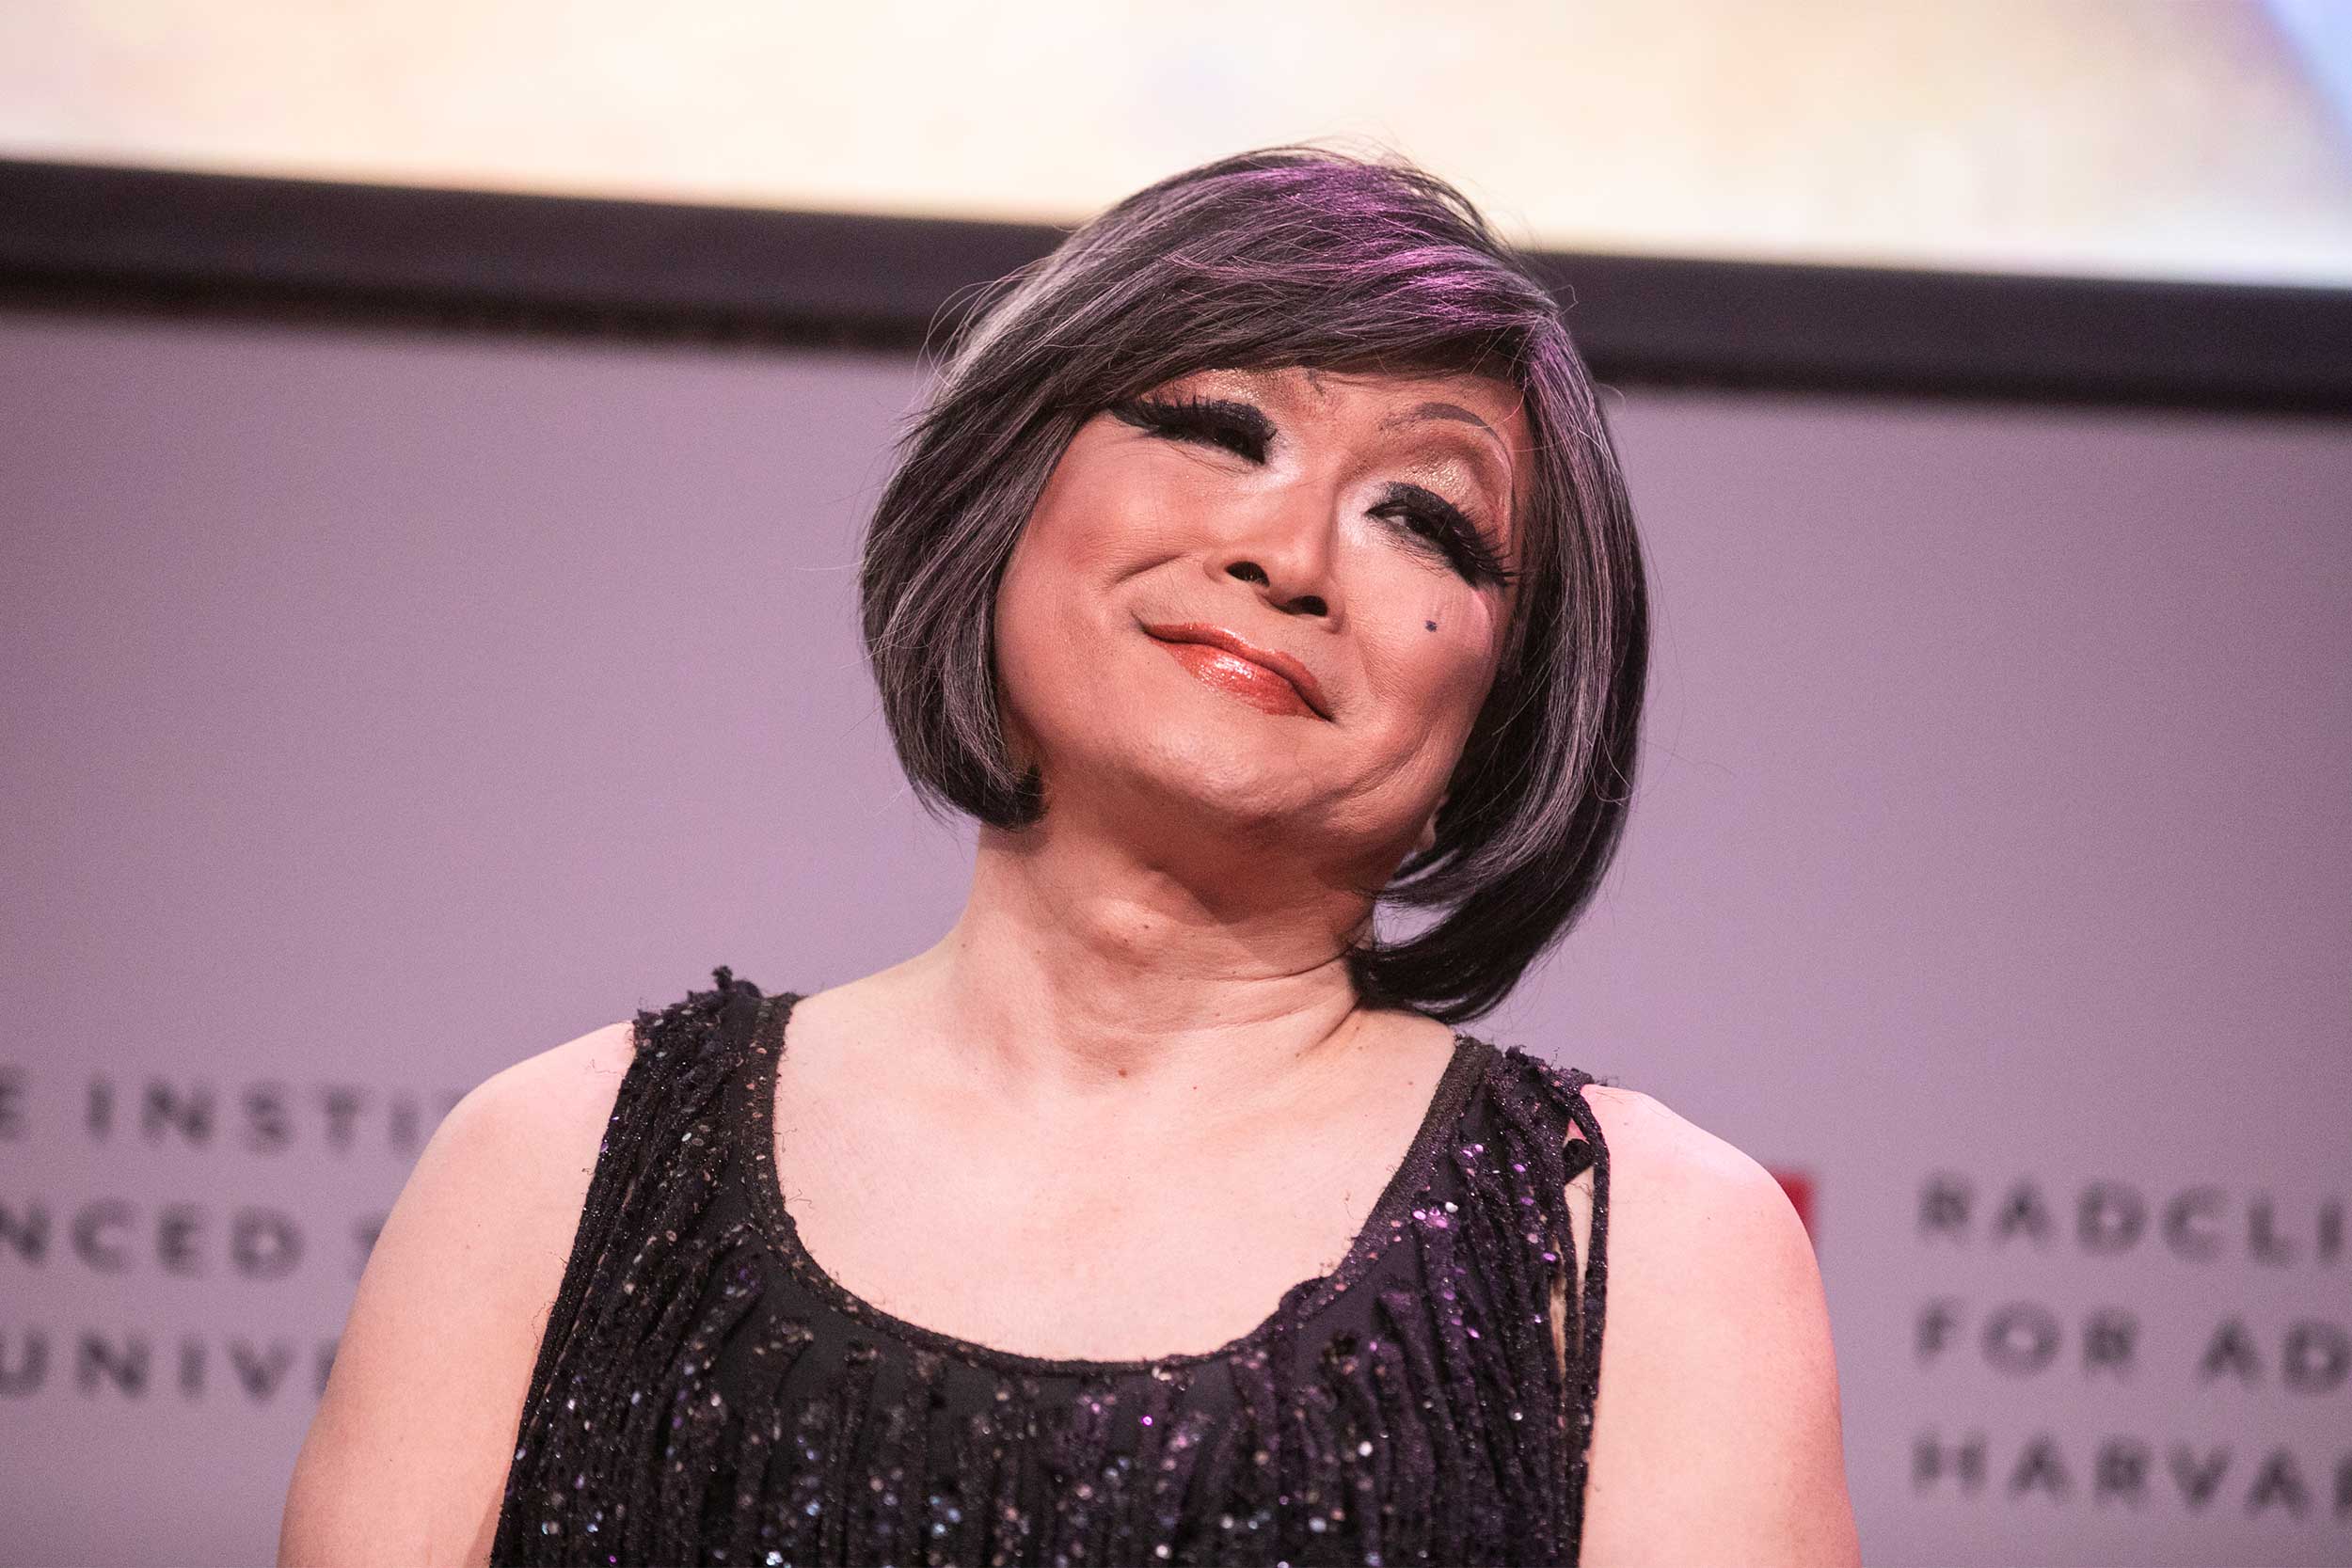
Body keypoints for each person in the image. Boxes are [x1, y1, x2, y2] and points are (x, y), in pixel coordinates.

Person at [278, 144, 1857, 1567]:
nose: (1287, 556)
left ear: (1508, 706)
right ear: (1007, 501)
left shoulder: (1643, 1255)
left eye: (1421, 523)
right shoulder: (551, 1170)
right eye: (1218, 429)